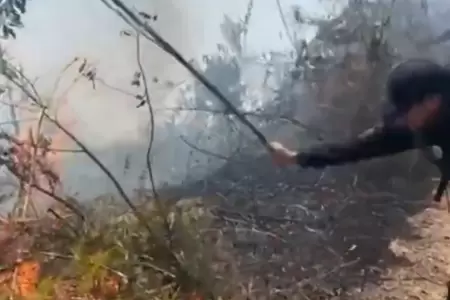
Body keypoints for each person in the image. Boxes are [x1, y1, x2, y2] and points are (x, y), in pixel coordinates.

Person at [269, 59, 450, 202]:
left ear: (431, 101)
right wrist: (295, 157)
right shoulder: (419, 124)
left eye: (404, 111)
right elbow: (356, 149)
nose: (402, 120)